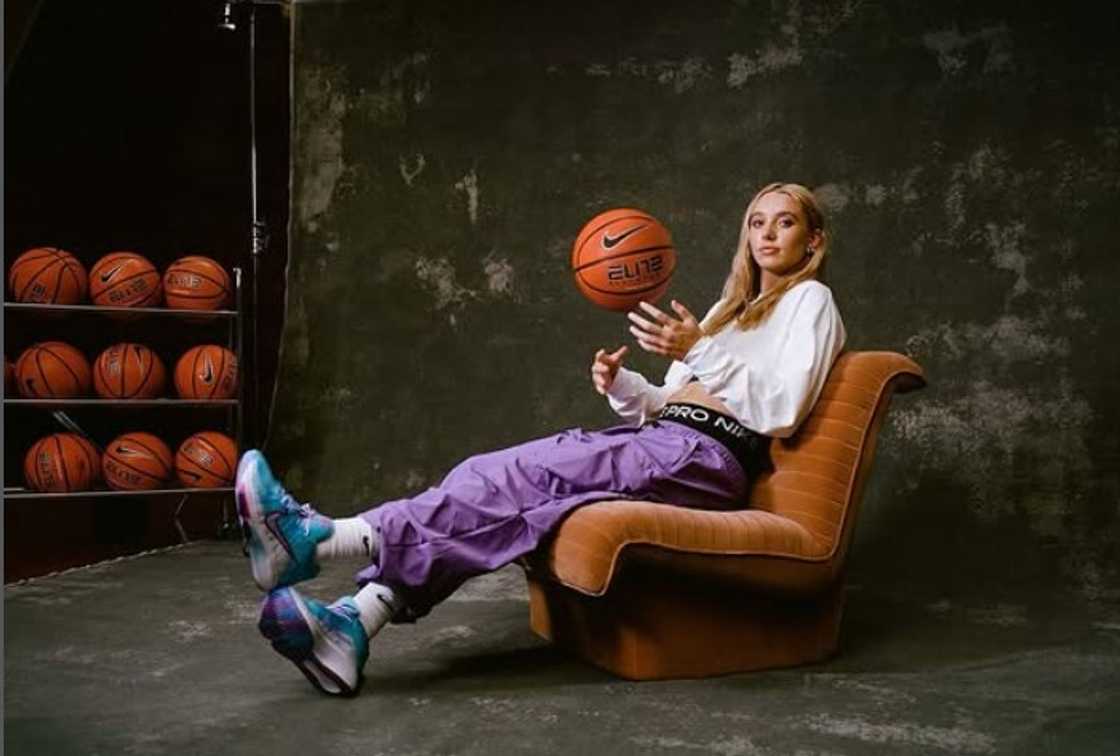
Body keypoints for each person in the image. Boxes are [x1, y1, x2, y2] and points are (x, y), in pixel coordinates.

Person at [236, 182, 847, 696]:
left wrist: (700, 350)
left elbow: (783, 409)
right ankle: (353, 625)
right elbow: (671, 403)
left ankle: (321, 541)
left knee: (501, 477)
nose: (766, 234)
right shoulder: (724, 312)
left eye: (785, 222)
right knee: (513, 508)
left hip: (706, 459)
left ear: (812, 239)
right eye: (756, 222)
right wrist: (624, 385)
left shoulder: (810, 302)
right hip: (672, 441)